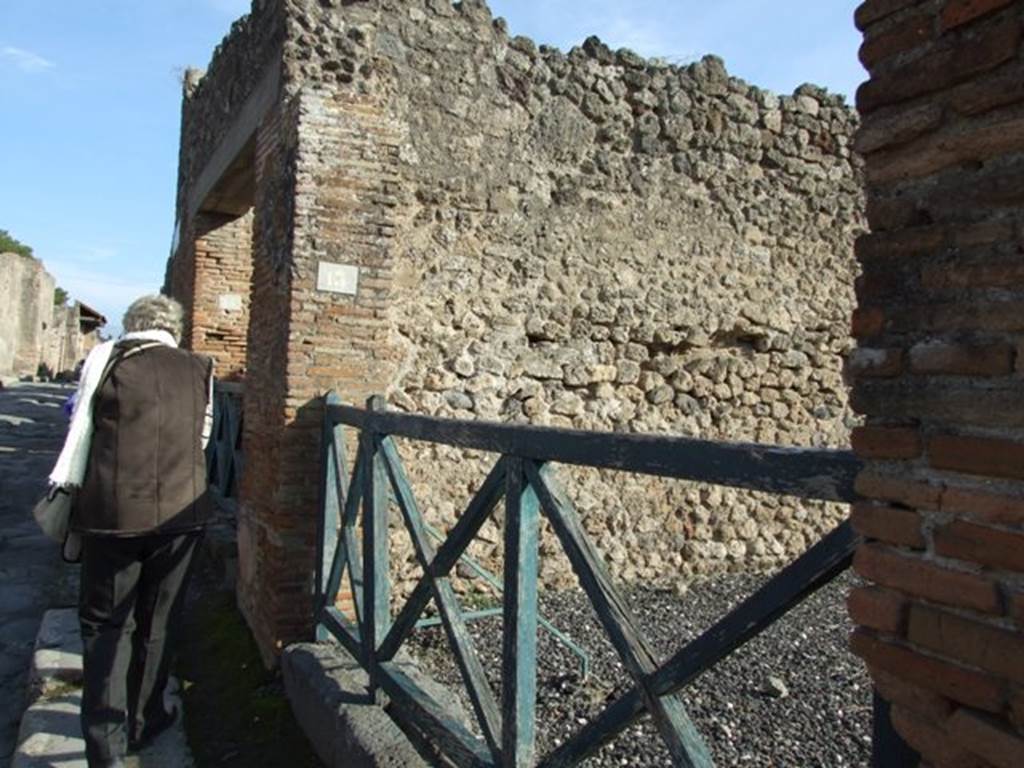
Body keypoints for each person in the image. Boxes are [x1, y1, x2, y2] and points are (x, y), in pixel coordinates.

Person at [49, 294, 213, 767]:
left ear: (132, 325)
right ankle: (145, 720)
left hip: (111, 515)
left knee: (106, 627)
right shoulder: (200, 367)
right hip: (182, 515)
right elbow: (203, 438)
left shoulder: (107, 358)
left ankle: (105, 745)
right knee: (157, 623)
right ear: (173, 329)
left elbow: (79, 426)